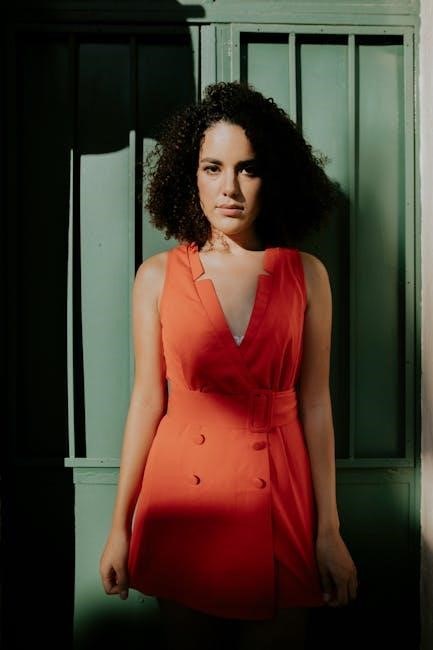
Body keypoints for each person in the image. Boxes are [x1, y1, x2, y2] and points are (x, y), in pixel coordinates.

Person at [99, 80, 358, 650]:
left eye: (248, 169)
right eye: (212, 168)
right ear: (189, 175)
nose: (229, 189)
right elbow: (147, 401)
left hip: (279, 496)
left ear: (273, 177)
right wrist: (119, 527)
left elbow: (316, 404)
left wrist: (329, 530)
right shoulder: (156, 276)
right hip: (182, 500)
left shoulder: (307, 275)